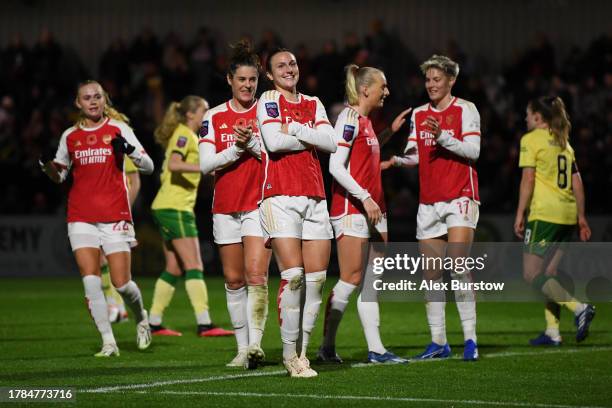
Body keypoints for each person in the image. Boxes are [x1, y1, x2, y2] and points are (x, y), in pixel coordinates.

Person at [40, 80, 153, 357]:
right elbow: (61, 175)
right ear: (78, 103)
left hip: (115, 214)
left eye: (98, 97)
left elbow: (149, 166)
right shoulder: (70, 136)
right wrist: (49, 168)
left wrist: (128, 149)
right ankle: (108, 341)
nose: (93, 101)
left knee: (121, 283)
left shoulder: (119, 129)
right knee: (90, 280)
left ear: (105, 100)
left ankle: (141, 318)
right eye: (87, 98)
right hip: (81, 216)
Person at [384, 55, 481, 361]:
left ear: (451, 80)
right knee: (431, 274)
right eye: (428, 80)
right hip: (429, 202)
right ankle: (439, 341)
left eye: (437, 79)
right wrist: (397, 160)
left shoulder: (466, 109)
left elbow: (473, 151)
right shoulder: (420, 114)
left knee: (458, 266)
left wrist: (442, 136)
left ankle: (470, 340)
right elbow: (416, 154)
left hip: (461, 196)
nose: (431, 85)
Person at [318, 64, 411, 364]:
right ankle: (326, 347)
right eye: (383, 86)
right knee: (351, 278)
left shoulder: (367, 122)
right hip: (353, 208)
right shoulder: (347, 117)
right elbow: (335, 166)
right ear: (365, 89)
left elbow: (364, 149)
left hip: (375, 210)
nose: (387, 91)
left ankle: (377, 349)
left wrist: (389, 133)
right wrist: (366, 197)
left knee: (373, 282)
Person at [256, 48, 336, 377]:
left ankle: (302, 353)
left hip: (315, 196)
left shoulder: (313, 102)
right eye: (281, 66)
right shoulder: (268, 100)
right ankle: (290, 356)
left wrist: (297, 130)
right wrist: (309, 135)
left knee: (316, 282)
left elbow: (331, 142)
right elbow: (274, 143)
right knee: (295, 278)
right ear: (270, 75)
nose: (289, 69)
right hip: (280, 196)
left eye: (292, 63)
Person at [199, 41, 272, 369]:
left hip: (260, 205)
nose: (247, 85)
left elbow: (275, 156)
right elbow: (205, 164)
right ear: (230, 80)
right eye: (242, 79)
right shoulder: (213, 116)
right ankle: (242, 349)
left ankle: (256, 344)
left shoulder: (267, 111)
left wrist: (252, 144)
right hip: (225, 206)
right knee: (232, 279)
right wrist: (237, 150)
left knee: (256, 274)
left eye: (252, 80)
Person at [149, 95, 233, 338]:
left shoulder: (189, 136)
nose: (207, 115)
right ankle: (204, 323)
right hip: (174, 208)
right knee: (195, 265)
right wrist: (205, 167)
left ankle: (153, 322)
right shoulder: (185, 134)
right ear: (190, 114)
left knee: (174, 268)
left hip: (166, 206)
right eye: (204, 110)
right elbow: (175, 165)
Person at [514, 96, 595, 345]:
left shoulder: (531, 139)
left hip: (545, 215)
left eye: (528, 114)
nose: (525, 118)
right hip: (567, 215)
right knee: (549, 273)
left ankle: (580, 308)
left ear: (538, 117)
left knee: (531, 274)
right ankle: (553, 331)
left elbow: (528, 179)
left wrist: (520, 213)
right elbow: (577, 183)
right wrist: (581, 217)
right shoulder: (564, 144)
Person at [103, 158, 140, 323]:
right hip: (102, 207)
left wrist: (125, 210)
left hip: (119, 212)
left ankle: (121, 308)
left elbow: (135, 182)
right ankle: (115, 306)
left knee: (117, 263)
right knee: (101, 260)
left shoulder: (122, 149)